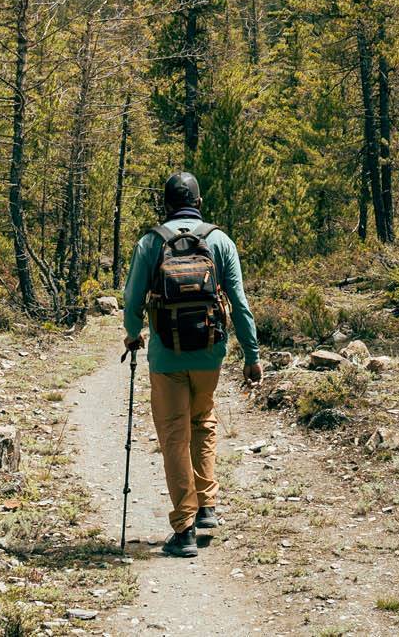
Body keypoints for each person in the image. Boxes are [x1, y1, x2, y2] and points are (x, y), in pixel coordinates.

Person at [122, 170, 261, 558]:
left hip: (167, 356)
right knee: (203, 421)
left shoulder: (150, 243)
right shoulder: (220, 241)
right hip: (210, 353)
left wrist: (133, 334)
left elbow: (132, 302)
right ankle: (207, 506)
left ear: (166, 204)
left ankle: (183, 529)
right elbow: (241, 304)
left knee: (173, 435)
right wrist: (252, 356)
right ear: (198, 203)